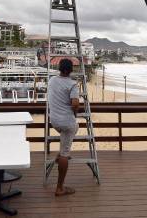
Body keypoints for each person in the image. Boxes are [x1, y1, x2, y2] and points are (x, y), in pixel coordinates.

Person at [47, 58, 80, 196]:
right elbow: (75, 104)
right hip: (66, 122)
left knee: (72, 131)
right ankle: (60, 188)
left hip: (54, 120)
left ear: (59, 68)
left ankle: (60, 154)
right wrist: (75, 113)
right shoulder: (73, 84)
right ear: (71, 69)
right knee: (66, 153)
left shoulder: (52, 80)